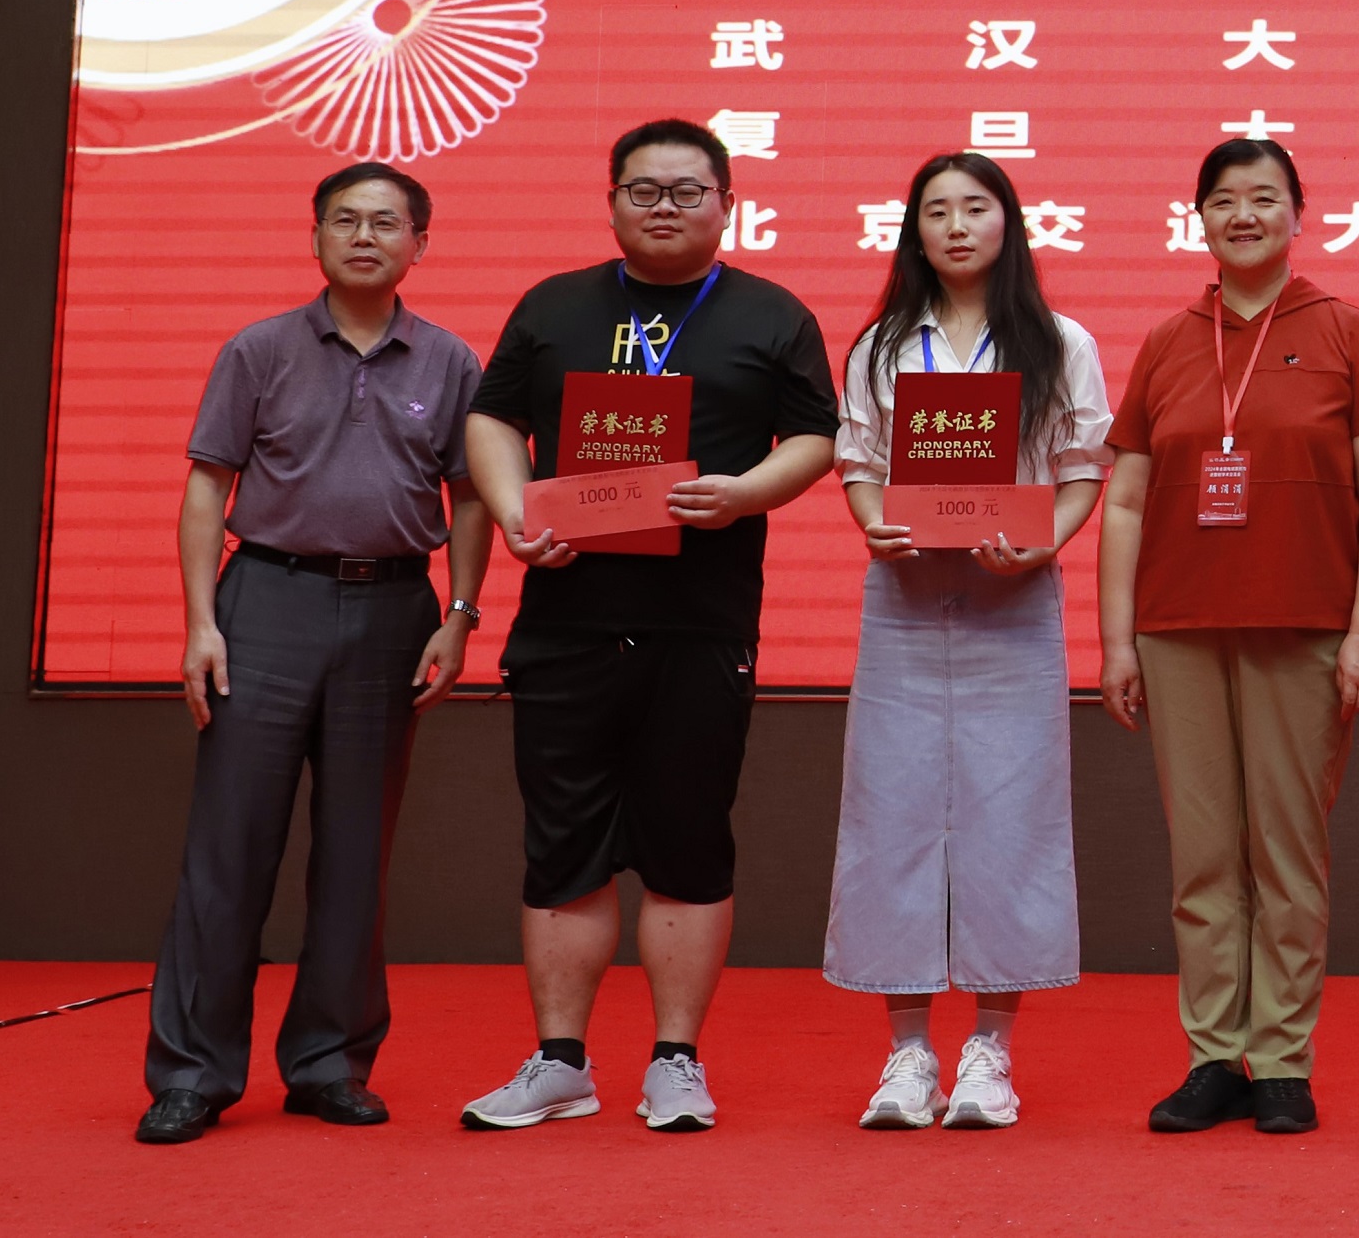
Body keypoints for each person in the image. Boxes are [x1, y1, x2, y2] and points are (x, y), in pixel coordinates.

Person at [457, 120, 839, 1135]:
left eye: (686, 190)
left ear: (727, 203)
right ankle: (560, 1061)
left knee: (687, 841)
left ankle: (676, 1060)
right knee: (561, 845)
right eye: (643, 190)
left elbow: (817, 435)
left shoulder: (773, 313)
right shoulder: (553, 305)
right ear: (612, 202)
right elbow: (491, 418)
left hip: (700, 623)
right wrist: (514, 512)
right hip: (567, 619)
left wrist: (746, 491)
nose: (664, 206)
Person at [136, 165, 488, 1145]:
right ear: (317, 237)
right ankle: (193, 1073)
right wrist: (201, 623)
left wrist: (460, 616)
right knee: (228, 846)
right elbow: (207, 487)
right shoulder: (259, 350)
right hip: (266, 602)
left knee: (356, 849)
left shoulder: (450, 361)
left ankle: (330, 1062)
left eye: (386, 222)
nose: (364, 236)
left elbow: (469, 497)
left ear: (420, 242)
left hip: (394, 611)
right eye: (345, 219)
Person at [1098, 138, 1359, 1137]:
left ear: (1297, 214)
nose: (1243, 214)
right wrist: (1116, 640)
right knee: (1201, 859)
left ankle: (1279, 1059)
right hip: (1178, 627)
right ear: (1197, 218)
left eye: (1264, 197)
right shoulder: (1167, 340)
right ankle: (1211, 1056)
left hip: (1304, 624)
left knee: (1286, 855)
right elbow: (1126, 500)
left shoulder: (1345, 329)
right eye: (1223, 199)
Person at [828, 152, 1113, 1132]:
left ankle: (990, 1051)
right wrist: (874, 522)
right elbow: (858, 460)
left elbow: (1082, 465)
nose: (955, 226)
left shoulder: (1058, 341)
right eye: (936, 210)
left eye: (975, 207)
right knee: (890, 817)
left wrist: (1046, 540)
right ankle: (906, 1054)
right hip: (904, 603)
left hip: (1013, 602)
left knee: (1013, 819)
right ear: (913, 229)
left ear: (1008, 222)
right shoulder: (881, 344)